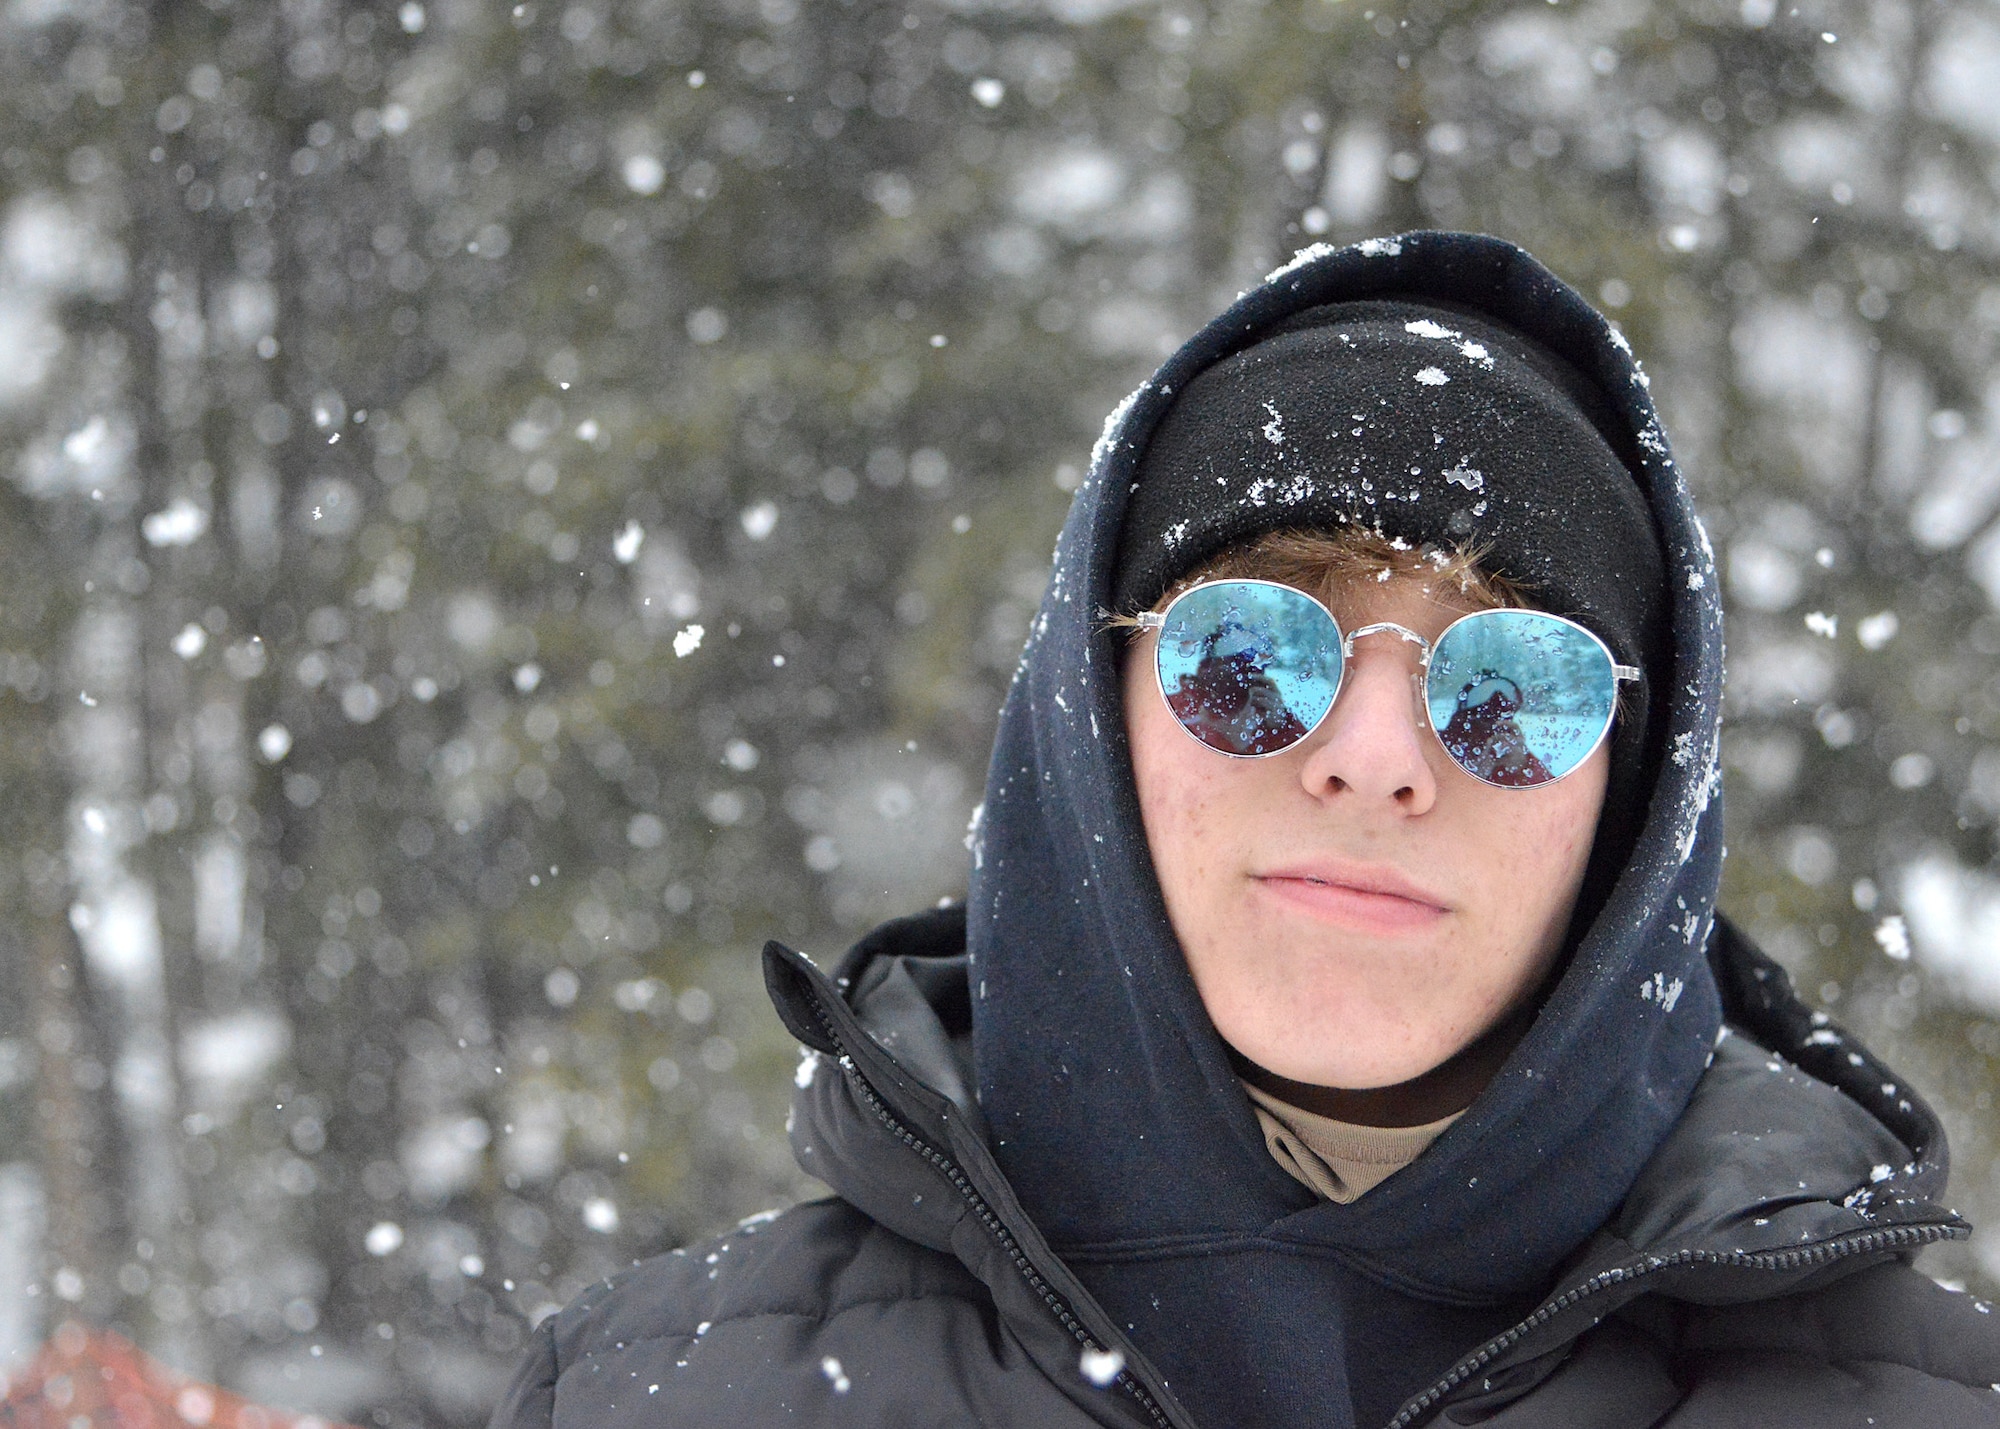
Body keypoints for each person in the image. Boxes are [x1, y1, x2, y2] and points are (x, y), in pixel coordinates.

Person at [489, 233, 2000, 1427]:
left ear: (1634, 798)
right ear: (1094, 714)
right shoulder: (649, 1398)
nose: (1372, 758)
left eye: (1517, 684)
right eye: (1252, 654)